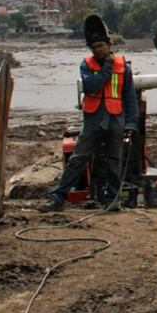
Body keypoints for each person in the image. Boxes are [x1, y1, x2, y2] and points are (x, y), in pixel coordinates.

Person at [39, 15, 138, 212]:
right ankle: (58, 198)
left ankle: (112, 200)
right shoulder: (87, 65)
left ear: (108, 44)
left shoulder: (123, 67)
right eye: (94, 48)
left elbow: (129, 97)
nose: (98, 50)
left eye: (101, 46)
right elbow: (91, 85)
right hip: (93, 120)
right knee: (78, 158)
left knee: (114, 161)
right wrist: (107, 68)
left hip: (115, 119)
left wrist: (131, 124)